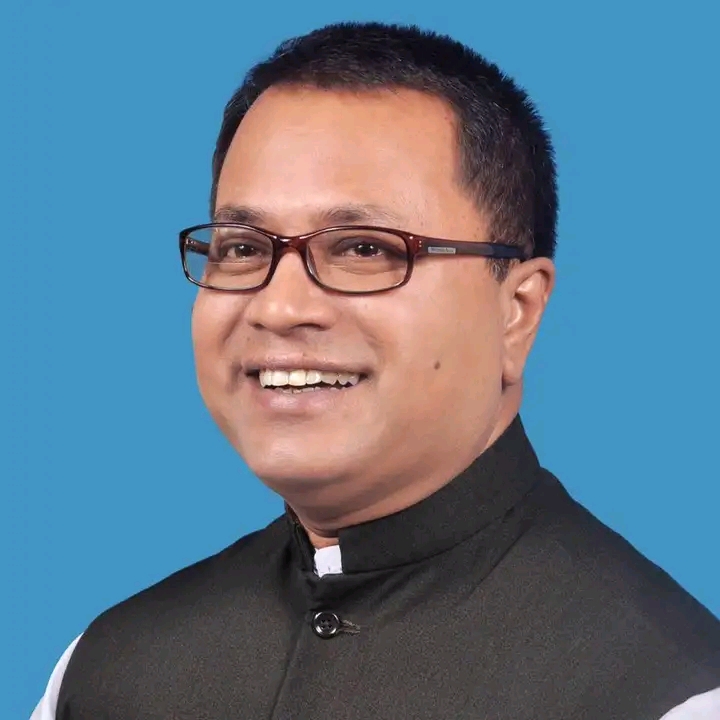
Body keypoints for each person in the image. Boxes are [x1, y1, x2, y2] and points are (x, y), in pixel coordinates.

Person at [32, 21, 720, 720]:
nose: (279, 307)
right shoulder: (109, 671)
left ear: (516, 310)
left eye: (365, 248)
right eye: (242, 248)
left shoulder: (668, 692)